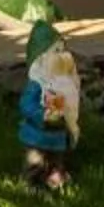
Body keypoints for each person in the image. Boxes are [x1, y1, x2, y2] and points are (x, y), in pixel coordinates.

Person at [17, 17, 81, 191]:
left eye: (62, 50)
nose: (62, 55)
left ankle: (55, 177)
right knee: (36, 160)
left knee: (57, 158)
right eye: (56, 51)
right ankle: (33, 183)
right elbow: (25, 104)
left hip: (58, 132)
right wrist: (41, 114)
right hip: (37, 133)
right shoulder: (38, 83)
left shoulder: (65, 83)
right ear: (41, 59)